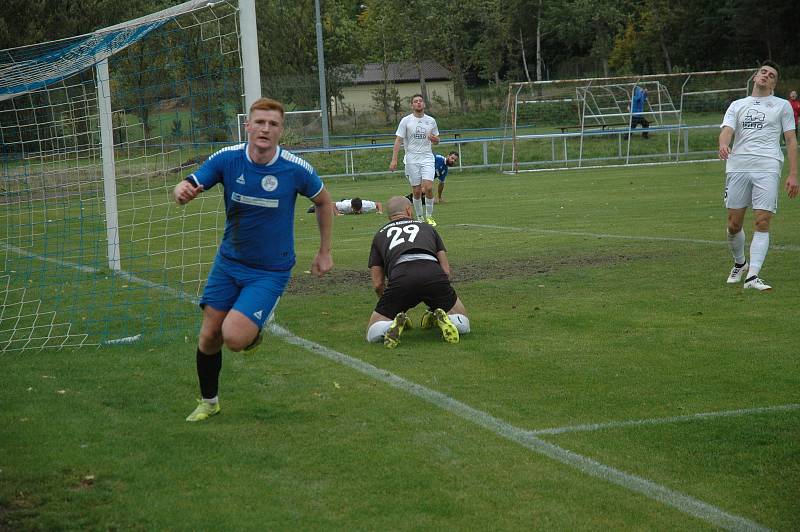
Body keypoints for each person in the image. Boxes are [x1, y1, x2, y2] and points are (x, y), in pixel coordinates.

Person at [173, 97, 334, 421]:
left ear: (281, 130)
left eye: (273, 124)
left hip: (269, 270)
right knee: (208, 336)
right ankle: (209, 401)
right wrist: (183, 189)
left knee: (233, 337)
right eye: (259, 122)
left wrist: (324, 251)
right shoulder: (229, 159)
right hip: (229, 262)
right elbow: (193, 180)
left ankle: (254, 325)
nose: (265, 129)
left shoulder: (295, 168)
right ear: (247, 125)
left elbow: (324, 201)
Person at [719, 61, 798, 291]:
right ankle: (740, 263)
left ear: (774, 83)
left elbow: (791, 140)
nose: (766, 76)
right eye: (763, 72)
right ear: (755, 77)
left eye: (771, 75)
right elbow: (727, 130)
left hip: (768, 166)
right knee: (734, 224)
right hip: (738, 166)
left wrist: (794, 174)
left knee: (762, 220)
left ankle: (753, 277)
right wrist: (724, 144)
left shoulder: (782, 106)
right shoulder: (737, 105)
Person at [365, 196, 470, 348]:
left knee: (371, 332)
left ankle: (390, 326)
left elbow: (377, 283)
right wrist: (437, 300)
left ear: (389, 216)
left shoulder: (379, 235)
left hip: (402, 277)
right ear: (408, 210)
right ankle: (443, 317)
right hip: (432, 272)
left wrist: (391, 306)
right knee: (463, 321)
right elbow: (446, 271)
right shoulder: (428, 227)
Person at [389, 94, 440, 226]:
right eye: (415, 101)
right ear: (412, 105)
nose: (418, 103)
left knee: (428, 187)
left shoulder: (431, 121)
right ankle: (420, 217)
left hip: (427, 157)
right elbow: (398, 140)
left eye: (420, 101)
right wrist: (394, 159)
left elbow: (437, 140)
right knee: (416, 190)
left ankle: (429, 216)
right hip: (411, 159)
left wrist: (435, 140)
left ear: (424, 104)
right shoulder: (406, 121)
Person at [307, 197, 383, 215]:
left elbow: (378, 204)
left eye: (359, 209)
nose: (359, 212)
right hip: (344, 203)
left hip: (347, 201)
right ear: (352, 207)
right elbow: (332, 204)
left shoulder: (366, 205)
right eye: (356, 210)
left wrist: (380, 211)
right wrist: (337, 214)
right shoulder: (346, 206)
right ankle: (315, 206)